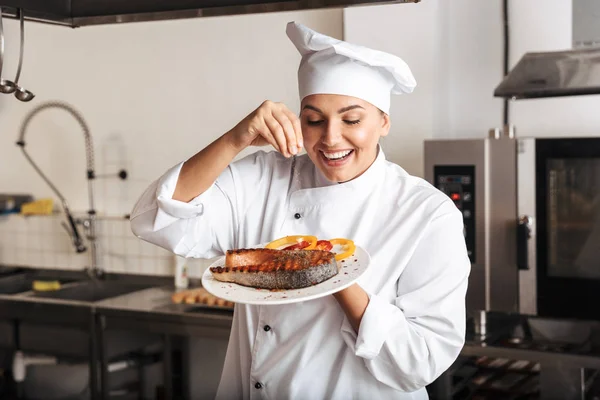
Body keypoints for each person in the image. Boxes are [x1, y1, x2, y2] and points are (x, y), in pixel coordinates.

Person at [130, 21, 470, 400]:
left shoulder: (425, 214)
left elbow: (420, 360)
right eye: (313, 119)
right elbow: (154, 220)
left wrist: (332, 277)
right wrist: (234, 139)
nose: (330, 138)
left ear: (384, 122)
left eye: (352, 119)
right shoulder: (266, 176)